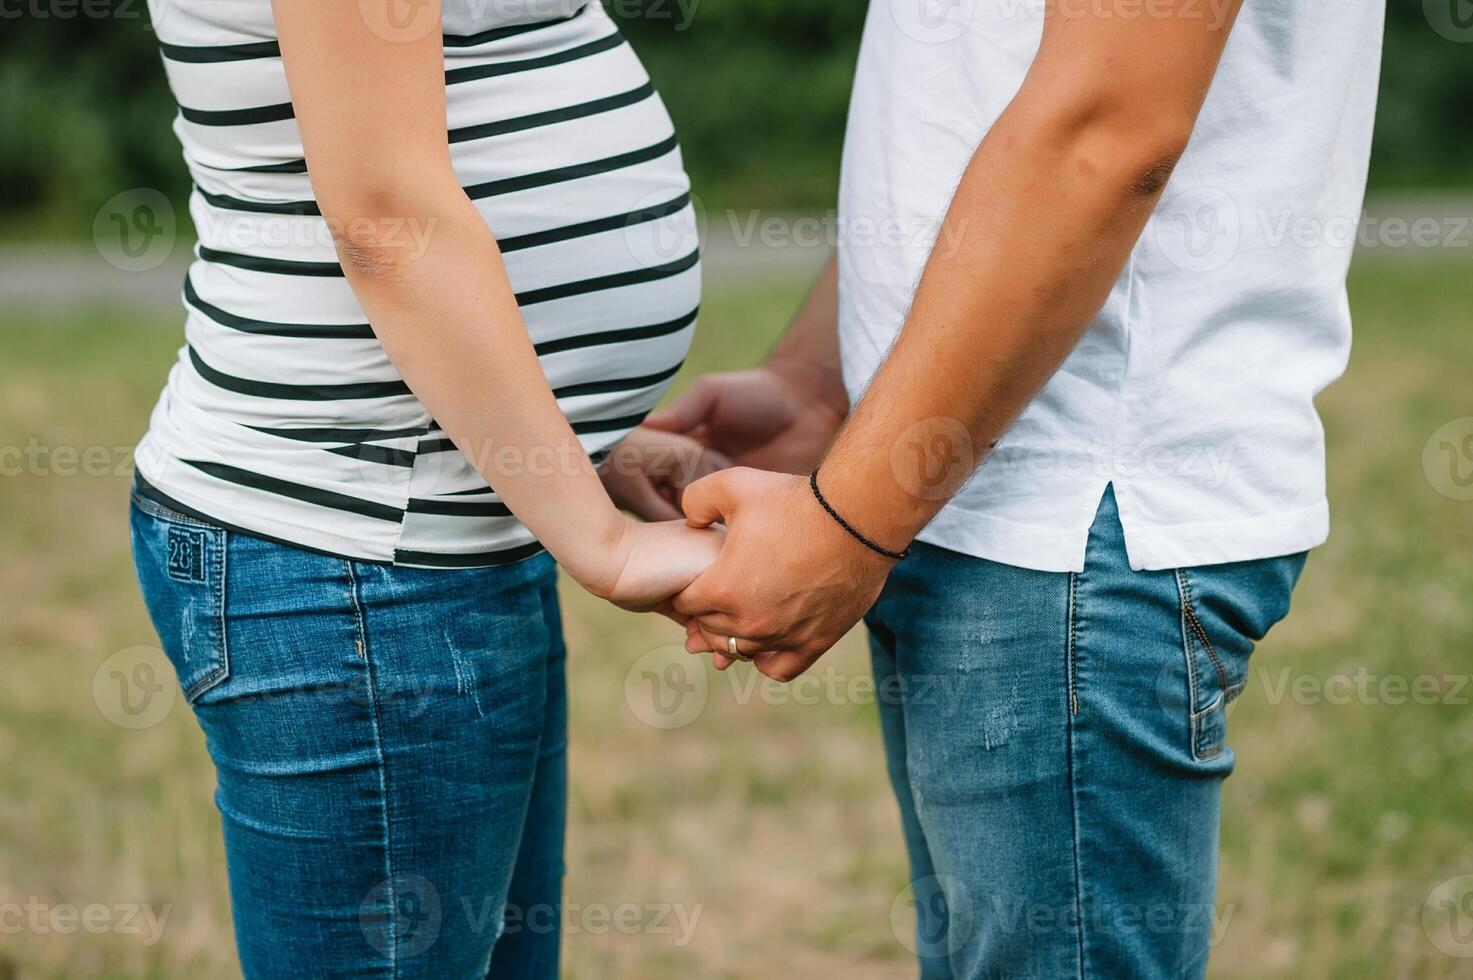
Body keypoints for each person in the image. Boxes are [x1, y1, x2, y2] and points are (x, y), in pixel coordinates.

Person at [645, 0, 1386, 975]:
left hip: (1074, 513)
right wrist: (826, 381)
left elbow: (1103, 128)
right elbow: (972, 91)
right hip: (981, 493)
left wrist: (847, 517)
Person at [129, 0, 719, 975]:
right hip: (358, 551)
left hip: (435, 527)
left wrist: (562, 441)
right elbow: (386, 213)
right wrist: (603, 543)